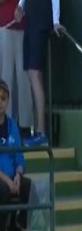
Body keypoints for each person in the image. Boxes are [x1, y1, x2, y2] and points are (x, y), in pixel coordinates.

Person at [14, 0, 63, 147]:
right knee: (32, 73)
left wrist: (56, 21)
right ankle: (38, 131)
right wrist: (21, 6)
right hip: (30, 21)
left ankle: (41, 133)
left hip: (41, 21)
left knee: (34, 73)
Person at [0, 79, 31, 231]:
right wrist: (7, 180)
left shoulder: (12, 125)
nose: (0, 102)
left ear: (7, 101)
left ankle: (17, 226)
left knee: (27, 185)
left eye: (3, 98)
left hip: (12, 177)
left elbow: (19, 156)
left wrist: (18, 175)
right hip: (2, 179)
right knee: (3, 190)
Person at [0, 0, 34, 138]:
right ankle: (5, 125)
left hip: (25, 26)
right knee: (6, 77)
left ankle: (25, 126)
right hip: (4, 25)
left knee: (24, 77)